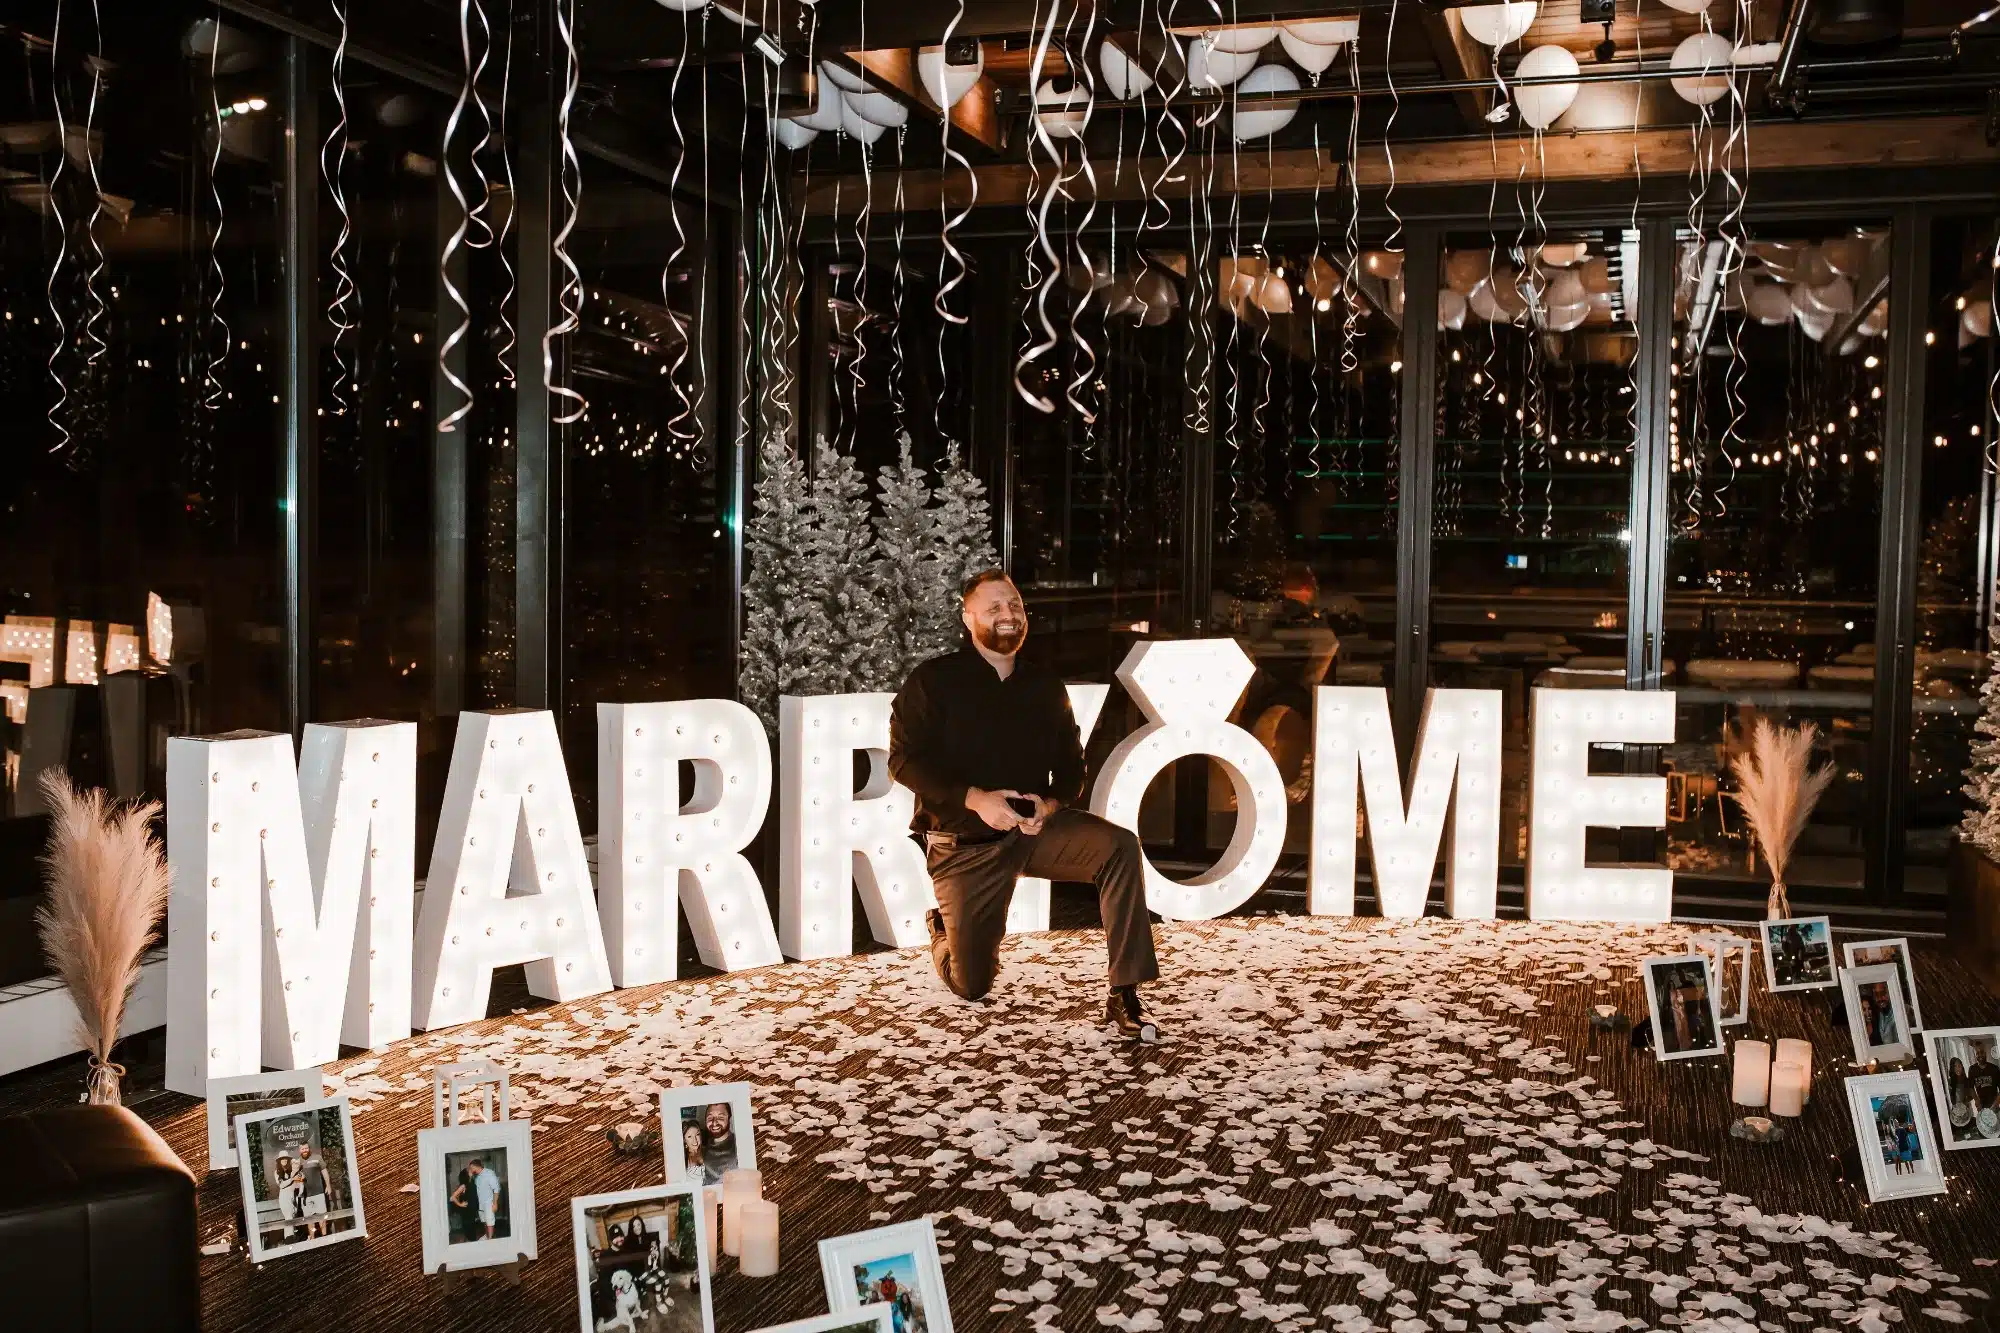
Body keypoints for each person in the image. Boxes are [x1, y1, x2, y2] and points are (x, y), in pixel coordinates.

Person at [889, 570, 1160, 1040]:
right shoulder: (933, 680)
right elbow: (904, 762)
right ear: (967, 617)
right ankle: (942, 933)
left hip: (1036, 835)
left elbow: (1073, 769)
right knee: (972, 985)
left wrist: (1051, 806)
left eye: (1013, 605)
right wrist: (975, 799)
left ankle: (1125, 990)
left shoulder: (1045, 686)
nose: (1007, 615)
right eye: (993, 607)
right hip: (965, 844)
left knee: (1118, 847)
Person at [699, 1102, 738, 1184]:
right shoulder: (701, 1146)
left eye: (720, 1117)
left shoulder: (739, 1145)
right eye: (710, 1118)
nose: (714, 1123)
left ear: (729, 1118)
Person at [298, 1143, 329, 1237]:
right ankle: (312, 1240)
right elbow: (296, 1177)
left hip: (319, 1193)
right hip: (306, 1196)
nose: (304, 1150)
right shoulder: (297, 1162)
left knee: (322, 1219)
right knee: (309, 1221)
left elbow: (324, 1171)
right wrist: (300, 1178)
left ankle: (325, 1239)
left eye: (306, 1148)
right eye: (302, 1149)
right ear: (299, 1150)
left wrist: (328, 1185)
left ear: (309, 1148)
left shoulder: (317, 1157)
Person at [469, 1156, 503, 1240]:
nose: (470, 1169)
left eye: (471, 1167)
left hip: (489, 1203)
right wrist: (470, 1176)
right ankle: (487, 1235)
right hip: (481, 1203)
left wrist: (495, 1203)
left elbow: (496, 1188)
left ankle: (490, 1239)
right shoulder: (477, 1176)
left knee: (490, 1222)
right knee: (484, 1221)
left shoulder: (489, 1173)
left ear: (475, 1166)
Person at [272, 1152, 301, 1243]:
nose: (284, 1160)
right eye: (282, 1159)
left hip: (293, 1196)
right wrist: (292, 1179)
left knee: (292, 1217)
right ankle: (289, 1240)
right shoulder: (277, 1172)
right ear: (279, 1161)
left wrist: (298, 1177)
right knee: (288, 1218)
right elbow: (282, 1185)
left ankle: (292, 1239)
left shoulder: (291, 1170)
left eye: (286, 1158)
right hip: (284, 1198)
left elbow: (299, 1179)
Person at [1969, 1040, 2000, 1111]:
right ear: (1975, 1054)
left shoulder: (1994, 1068)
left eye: (1982, 1052)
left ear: (1985, 1053)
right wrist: (1976, 1100)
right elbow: (1971, 1087)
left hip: (1994, 1105)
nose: (1980, 1055)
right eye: (1977, 1053)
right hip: (1981, 1106)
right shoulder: (1972, 1069)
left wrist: (1996, 1103)